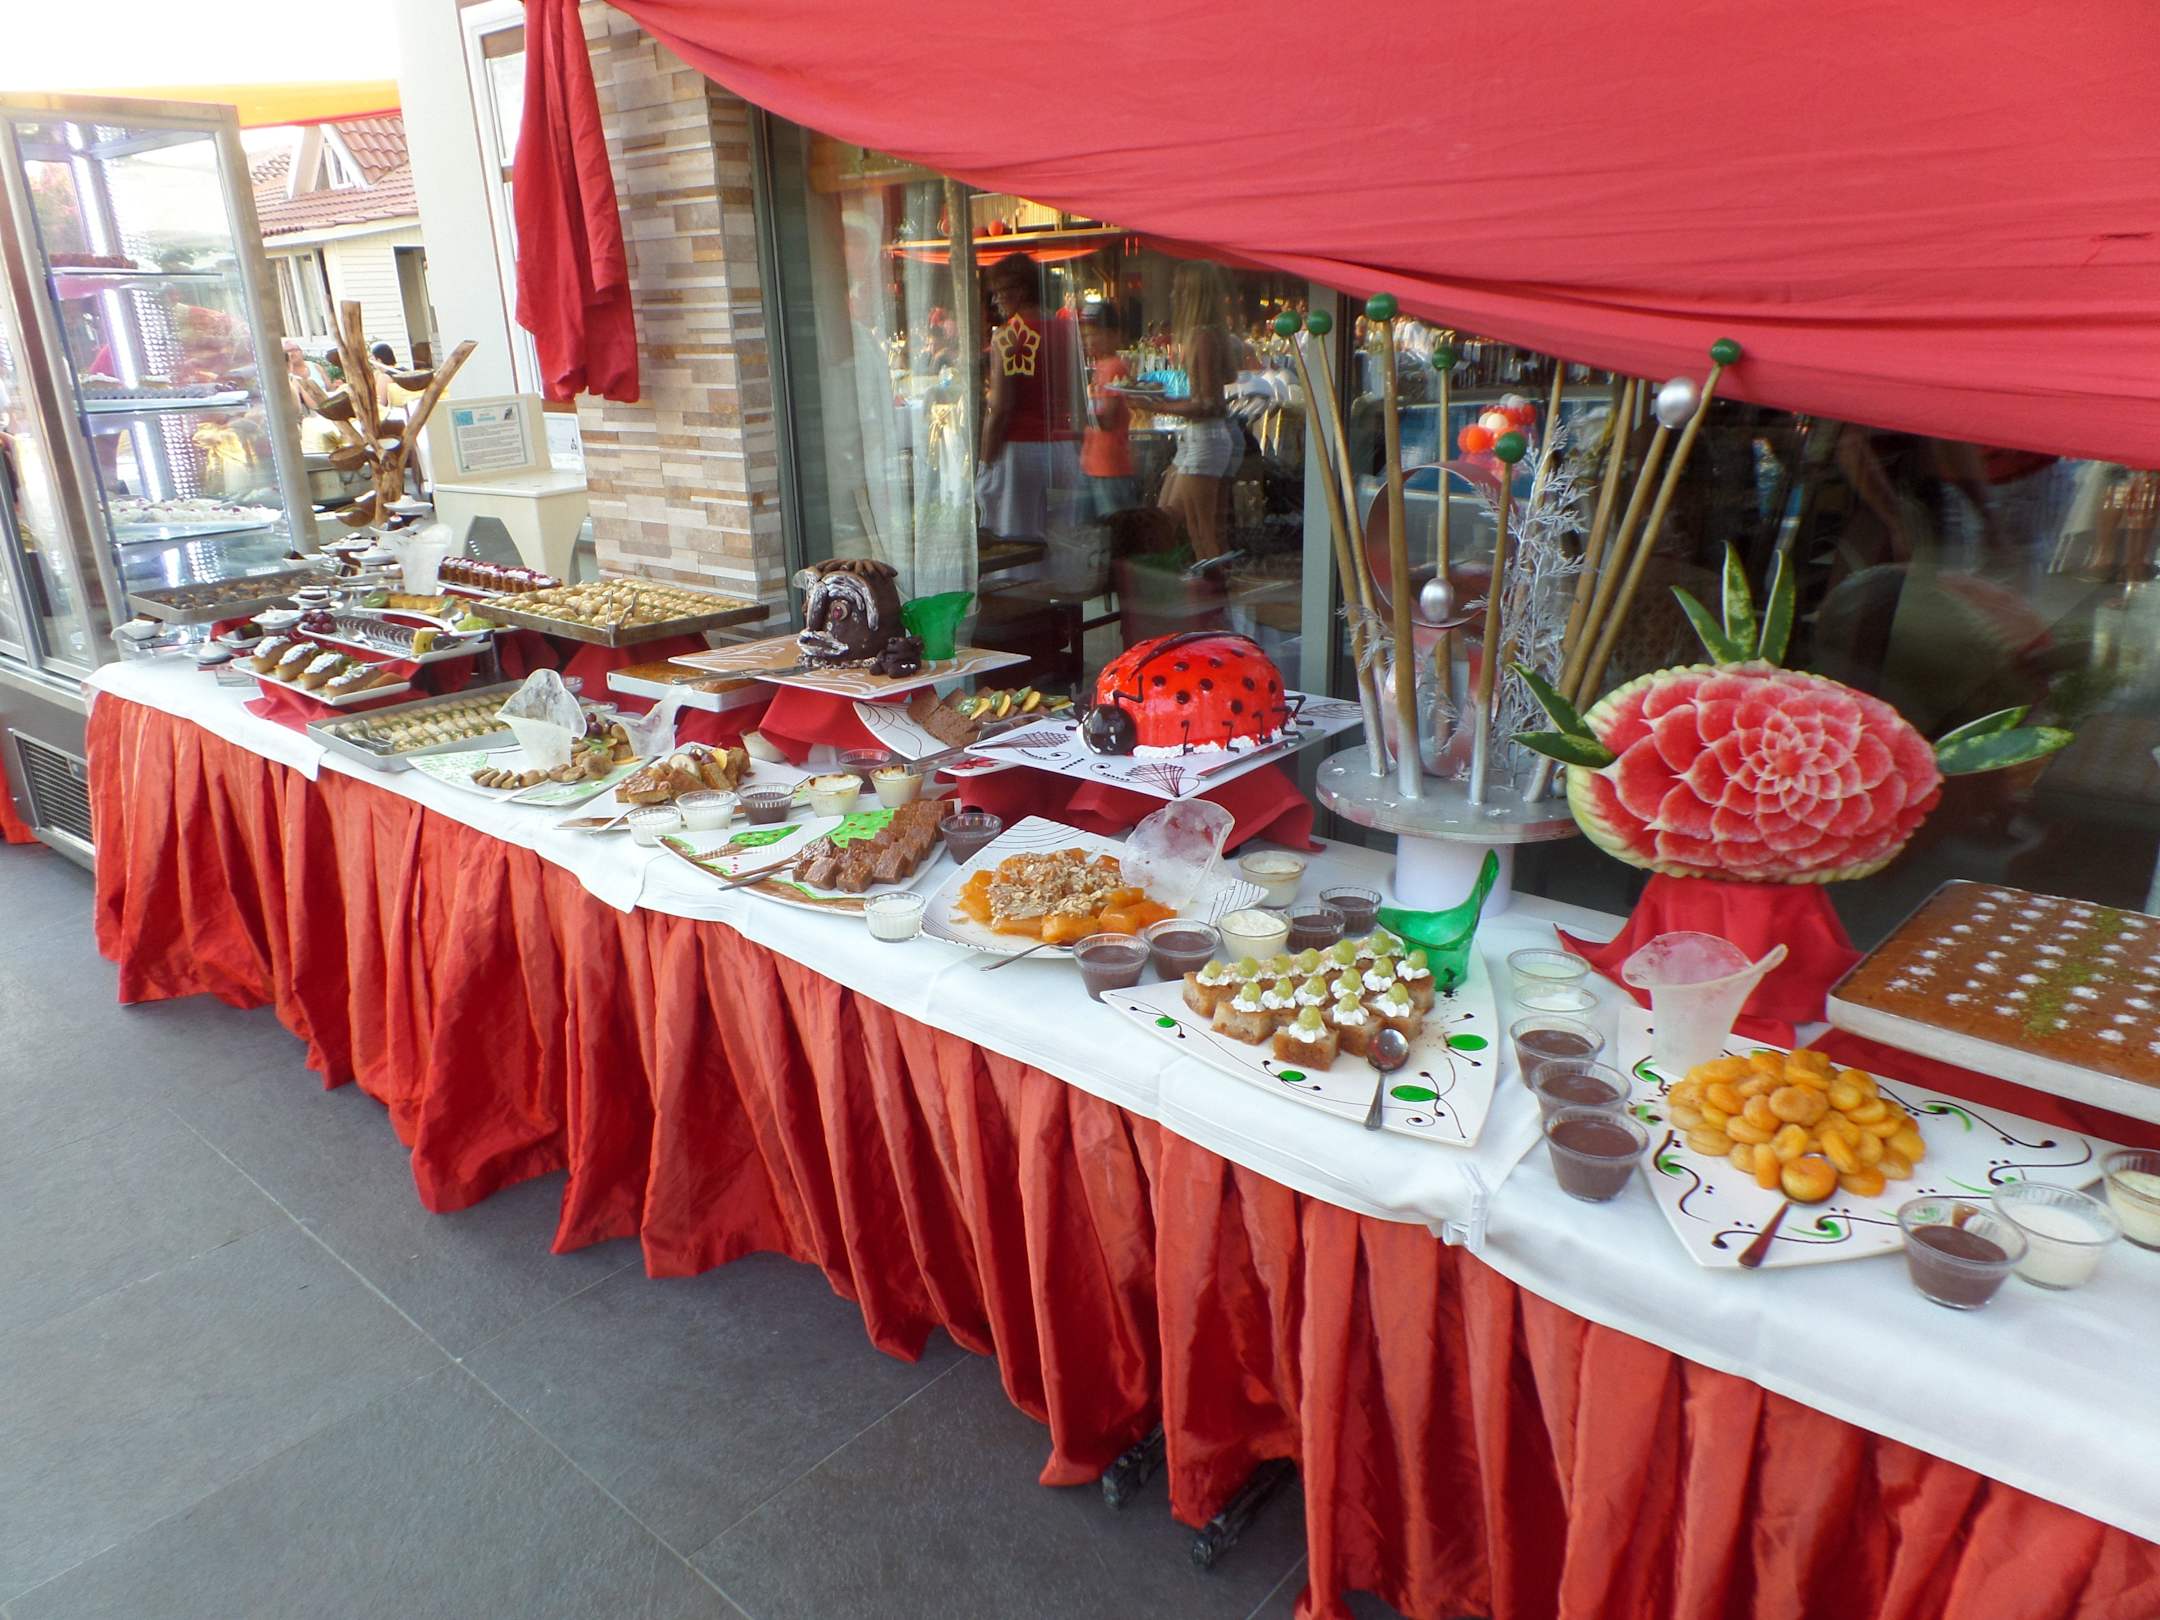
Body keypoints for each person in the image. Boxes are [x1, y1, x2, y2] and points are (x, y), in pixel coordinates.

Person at [975, 255, 1080, 543]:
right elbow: (1078, 395)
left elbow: (1000, 407)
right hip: (1062, 447)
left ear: (1019, 291)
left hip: (1020, 449)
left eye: (1000, 292)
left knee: (1016, 545)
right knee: (1060, 543)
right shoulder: (1067, 330)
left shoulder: (1008, 335)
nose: (996, 300)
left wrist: (985, 462)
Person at [1148, 262, 1240, 560]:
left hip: (1205, 439)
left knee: (1202, 533)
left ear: (1192, 294)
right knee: (1170, 516)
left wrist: (1158, 405)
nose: (1173, 295)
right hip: (1202, 438)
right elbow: (1212, 394)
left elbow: (1207, 404)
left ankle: (1212, 583)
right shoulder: (1212, 334)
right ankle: (1209, 580)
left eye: (1178, 289)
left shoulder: (1202, 337)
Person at [1079, 298, 1135, 520]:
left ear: (1114, 335)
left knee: (1114, 527)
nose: (1089, 340)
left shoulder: (1114, 367)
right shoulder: (1100, 367)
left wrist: (1077, 414)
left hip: (1109, 465)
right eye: (1086, 334)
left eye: (1096, 334)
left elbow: (1108, 419)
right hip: (1095, 463)